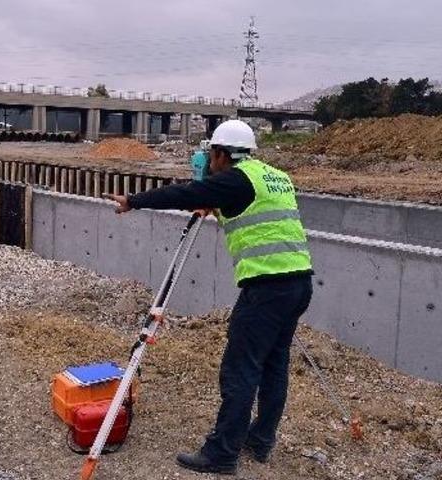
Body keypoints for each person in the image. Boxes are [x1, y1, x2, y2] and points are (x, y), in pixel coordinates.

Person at [105, 119, 313, 475]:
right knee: (274, 367)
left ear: (221, 155)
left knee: (240, 370)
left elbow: (185, 193)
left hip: (266, 288)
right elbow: (252, 209)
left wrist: (133, 201)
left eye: (210, 155)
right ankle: (260, 441)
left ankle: (222, 453)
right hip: (298, 283)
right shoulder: (275, 176)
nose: (208, 162)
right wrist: (214, 203)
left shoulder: (233, 179)